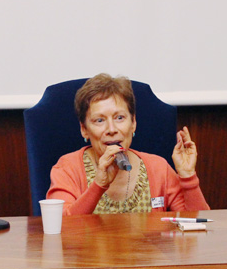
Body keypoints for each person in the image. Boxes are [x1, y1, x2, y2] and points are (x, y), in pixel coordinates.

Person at [47, 73, 210, 215]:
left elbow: (197, 227)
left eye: (119, 118)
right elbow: (61, 229)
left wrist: (188, 176)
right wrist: (98, 185)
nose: (111, 129)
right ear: (84, 130)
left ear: (133, 124)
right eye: (99, 120)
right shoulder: (67, 169)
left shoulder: (159, 168)